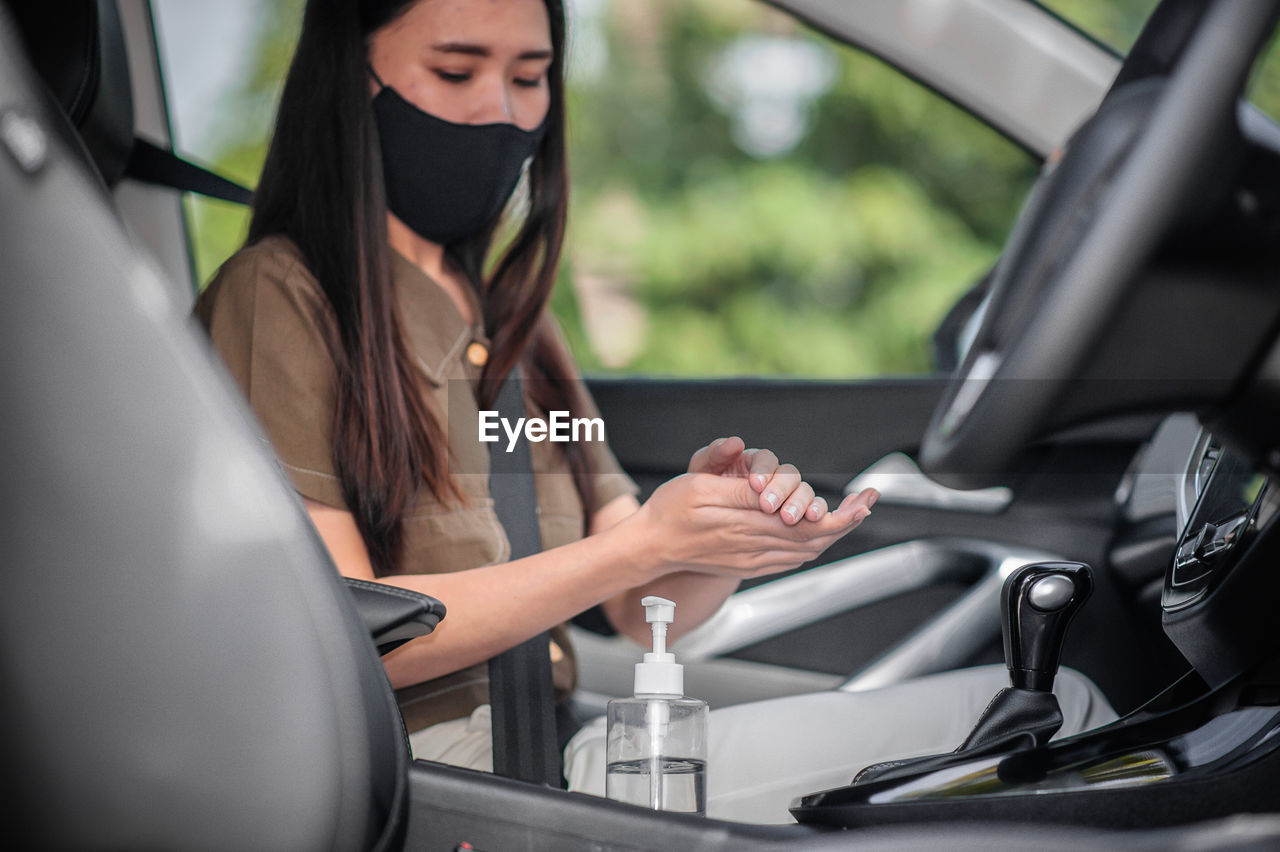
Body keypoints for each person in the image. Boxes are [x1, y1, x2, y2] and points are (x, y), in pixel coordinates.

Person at [196, 0, 1115, 824]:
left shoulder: (515, 320)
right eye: (455, 70)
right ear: (349, 80)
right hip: (447, 784)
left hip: (554, 748)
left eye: (530, 76)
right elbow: (346, 638)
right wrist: (638, 546)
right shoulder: (279, 298)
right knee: (1060, 709)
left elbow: (645, 610)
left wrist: (718, 534)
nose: (502, 111)